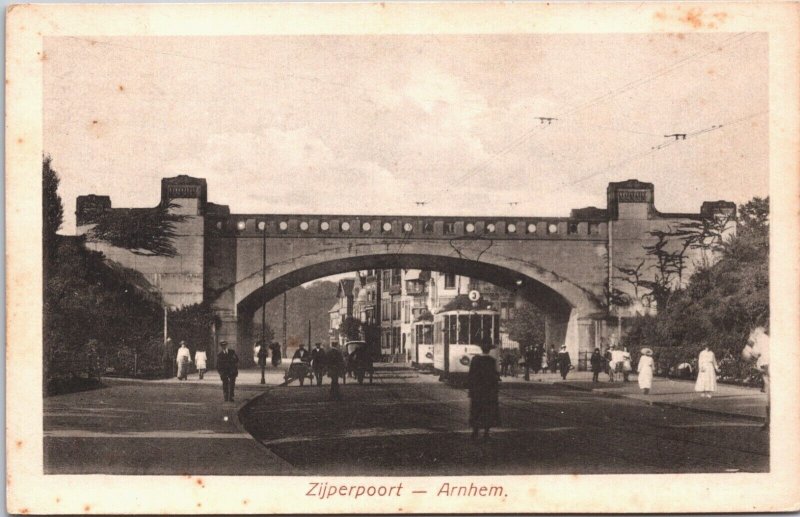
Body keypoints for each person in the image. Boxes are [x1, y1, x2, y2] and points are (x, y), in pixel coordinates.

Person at [467, 339, 500, 441]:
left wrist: (471, 388)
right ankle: (486, 432)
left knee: (476, 410)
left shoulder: (475, 359)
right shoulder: (491, 361)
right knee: (488, 410)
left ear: (480, 349)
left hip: (477, 390)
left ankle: (475, 432)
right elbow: (494, 376)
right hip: (488, 391)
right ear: (489, 350)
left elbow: (471, 375)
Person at [743, 326, 770, 430]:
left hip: (767, 368)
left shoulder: (759, 339)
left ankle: (768, 422)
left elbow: (748, 355)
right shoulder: (768, 338)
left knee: (770, 397)